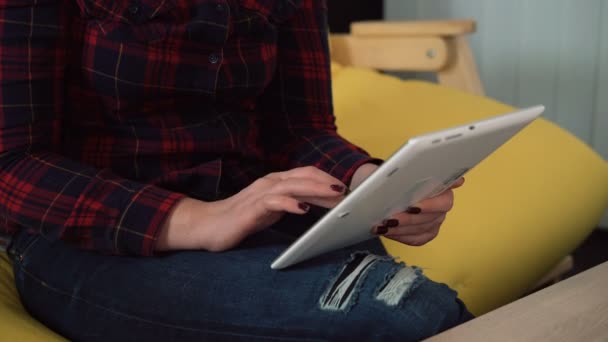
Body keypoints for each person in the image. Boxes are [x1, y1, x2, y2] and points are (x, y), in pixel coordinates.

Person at [0, 0, 472, 341]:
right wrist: (194, 218)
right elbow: (12, 163)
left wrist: (367, 181)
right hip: (92, 239)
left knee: (411, 303)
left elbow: (299, 128)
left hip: (258, 209)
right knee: (403, 308)